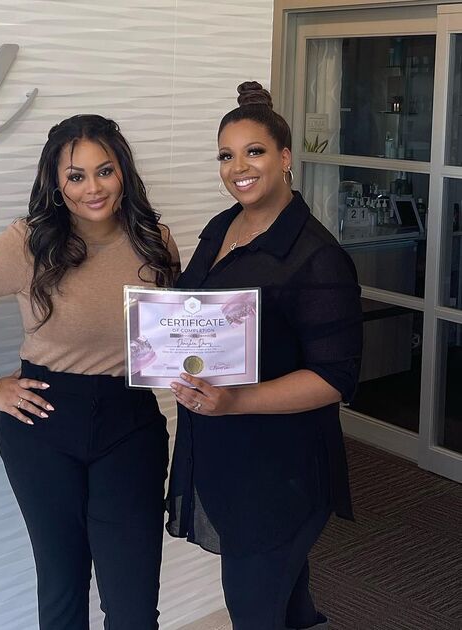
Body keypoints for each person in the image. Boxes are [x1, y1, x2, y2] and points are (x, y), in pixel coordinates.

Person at [0, 114, 179, 629]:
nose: (93, 188)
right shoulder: (29, 242)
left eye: (104, 171)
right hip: (43, 425)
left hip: (130, 424)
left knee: (133, 605)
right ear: (56, 183)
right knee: (62, 589)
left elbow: (170, 335)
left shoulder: (156, 241)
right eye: (76, 176)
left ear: (123, 172)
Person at [165, 82, 363, 630]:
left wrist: (235, 400)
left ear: (285, 158)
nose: (238, 168)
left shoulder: (317, 256)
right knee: (287, 602)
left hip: (280, 465)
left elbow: (335, 377)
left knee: (253, 607)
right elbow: (195, 309)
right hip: (225, 450)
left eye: (253, 152)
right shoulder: (222, 227)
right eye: (225, 156)